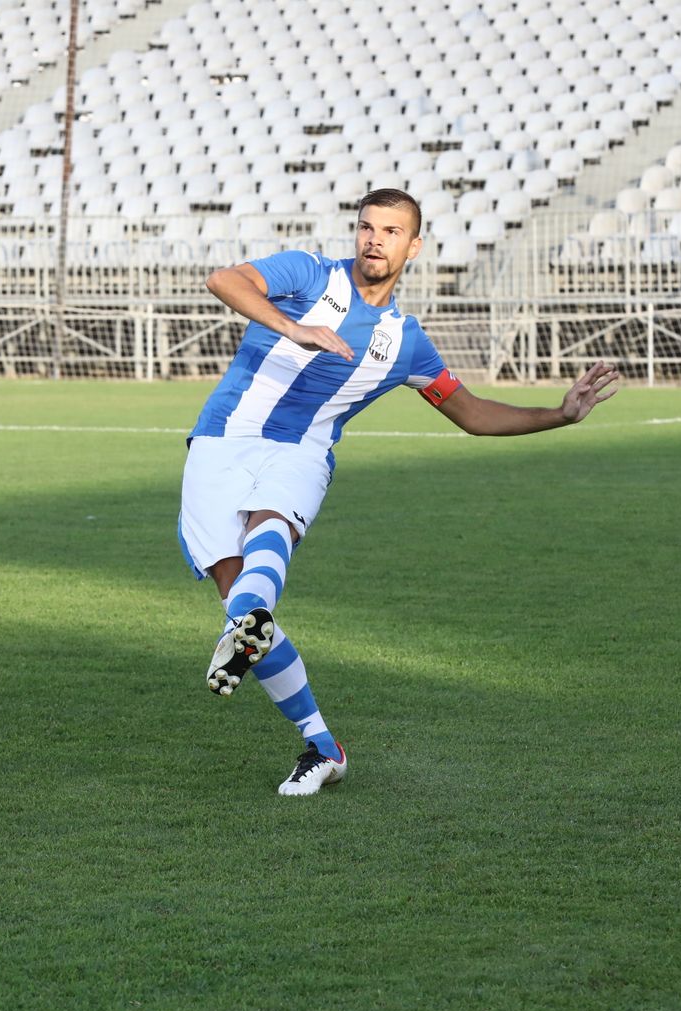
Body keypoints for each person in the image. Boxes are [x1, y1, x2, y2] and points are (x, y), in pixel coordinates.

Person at [178, 188, 620, 796]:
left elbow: (471, 412)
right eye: (365, 227)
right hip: (220, 441)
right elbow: (225, 279)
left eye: (389, 231)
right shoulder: (306, 274)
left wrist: (560, 414)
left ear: (413, 246)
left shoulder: (405, 342)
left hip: (301, 450)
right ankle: (323, 746)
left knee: (271, 527)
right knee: (241, 604)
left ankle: (253, 623)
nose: (373, 239)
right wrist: (292, 326)